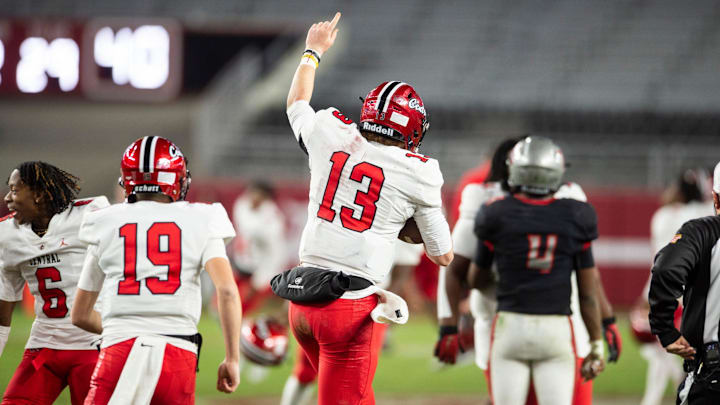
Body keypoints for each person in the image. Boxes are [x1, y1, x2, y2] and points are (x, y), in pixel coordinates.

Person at [282, 12, 453, 405]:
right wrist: (394, 221)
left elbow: (296, 103)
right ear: (413, 129)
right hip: (347, 305)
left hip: (302, 300)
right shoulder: (420, 172)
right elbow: (441, 254)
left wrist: (313, 51)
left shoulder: (330, 131)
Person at [436, 137, 620, 405]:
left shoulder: (492, 210)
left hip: (510, 325)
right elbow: (588, 280)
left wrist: (608, 320)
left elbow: (472, 277)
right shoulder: (573, 209)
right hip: (554, 326)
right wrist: (447, 325)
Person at [70, 136, 242, 404]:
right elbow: (228, 292)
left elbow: (80, 314)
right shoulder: (203, 218)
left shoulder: (105, 222)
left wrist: (126, 325)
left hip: (118, 349)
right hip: (178, 353)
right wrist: (232, 358)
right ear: (177, 179)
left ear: (127, 181)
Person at [0, 161, 109, 405]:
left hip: (93, 346)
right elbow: (2, 316)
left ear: (39, 195)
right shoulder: (7, 235)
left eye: (15, 190)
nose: (7, 198)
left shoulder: (90, 215)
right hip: (44, 346)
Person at [279, 241, 423, 405]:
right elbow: (442, 256)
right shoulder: (404, 221)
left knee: (334, 383)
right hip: (354, 307)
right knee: (354, 390)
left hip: (319, 298)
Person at [635, 168, 711, 405]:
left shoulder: (662, 215)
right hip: (693, 296)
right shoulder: (703, 213)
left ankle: (659, 397)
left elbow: (660, 260)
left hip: (662, 290)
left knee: (664, 353)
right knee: (689, 356)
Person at [231, 180, 287, 314]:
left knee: (245, 306)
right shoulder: (242, 205)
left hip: (264, 264)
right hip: (243, 261)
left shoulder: (273, 219)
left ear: (266, 198)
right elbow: (245, 227)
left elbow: (275, 251)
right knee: (225, 301)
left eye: (258, 194)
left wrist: (261, 278)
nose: (253, 197)